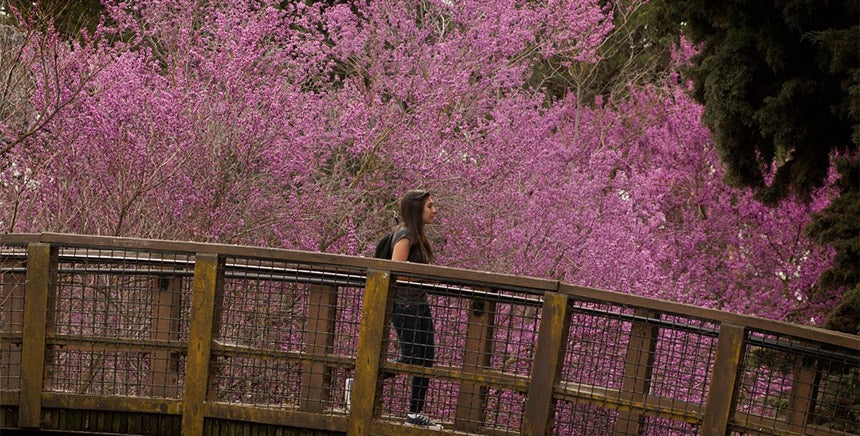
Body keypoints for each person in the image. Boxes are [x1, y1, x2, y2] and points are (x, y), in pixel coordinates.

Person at [388, 189, 440, 429]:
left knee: (426, 356)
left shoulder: (418, 235)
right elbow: (396, 270)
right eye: (430, 206)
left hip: (419, 303)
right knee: (410, 357)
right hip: (405, 304)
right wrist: (423, 278)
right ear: (417, 209)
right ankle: (359, 382)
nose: (434, 210)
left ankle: (415, 413)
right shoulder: (405, 233)